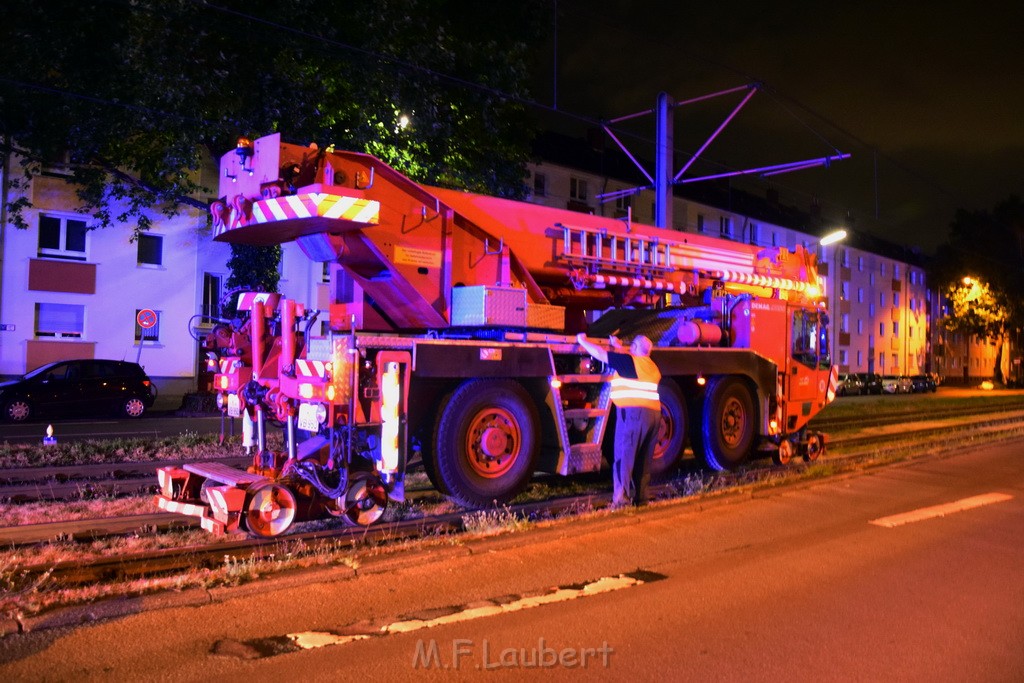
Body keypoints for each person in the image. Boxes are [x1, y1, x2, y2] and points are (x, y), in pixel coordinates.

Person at [577, 332, 662, 507]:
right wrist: (617, 345)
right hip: (654, 416)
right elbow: (628, 362)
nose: (629, 348)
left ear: (637, 348)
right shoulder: (651, 366)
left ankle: (621, 500)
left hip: (633, 415)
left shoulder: (630, 362)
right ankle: (642, 498)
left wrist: (582, 341)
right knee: (644, 460)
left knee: (624, 456)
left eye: (632, 346)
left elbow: (601, 354)